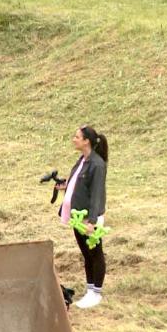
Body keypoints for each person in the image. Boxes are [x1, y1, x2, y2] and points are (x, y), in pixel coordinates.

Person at [57, 125, 108, 309]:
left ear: (86, 141)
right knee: (86, 254)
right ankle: (89, 289)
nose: (74, 139)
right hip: (78, 217)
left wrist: (92, 222)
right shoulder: (82, 160)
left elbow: (96, 195)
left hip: (89, 219)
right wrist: (65, 185)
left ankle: (96, 293)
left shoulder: (97, 164)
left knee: (95, 254)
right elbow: (80, 182)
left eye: (77, 137)